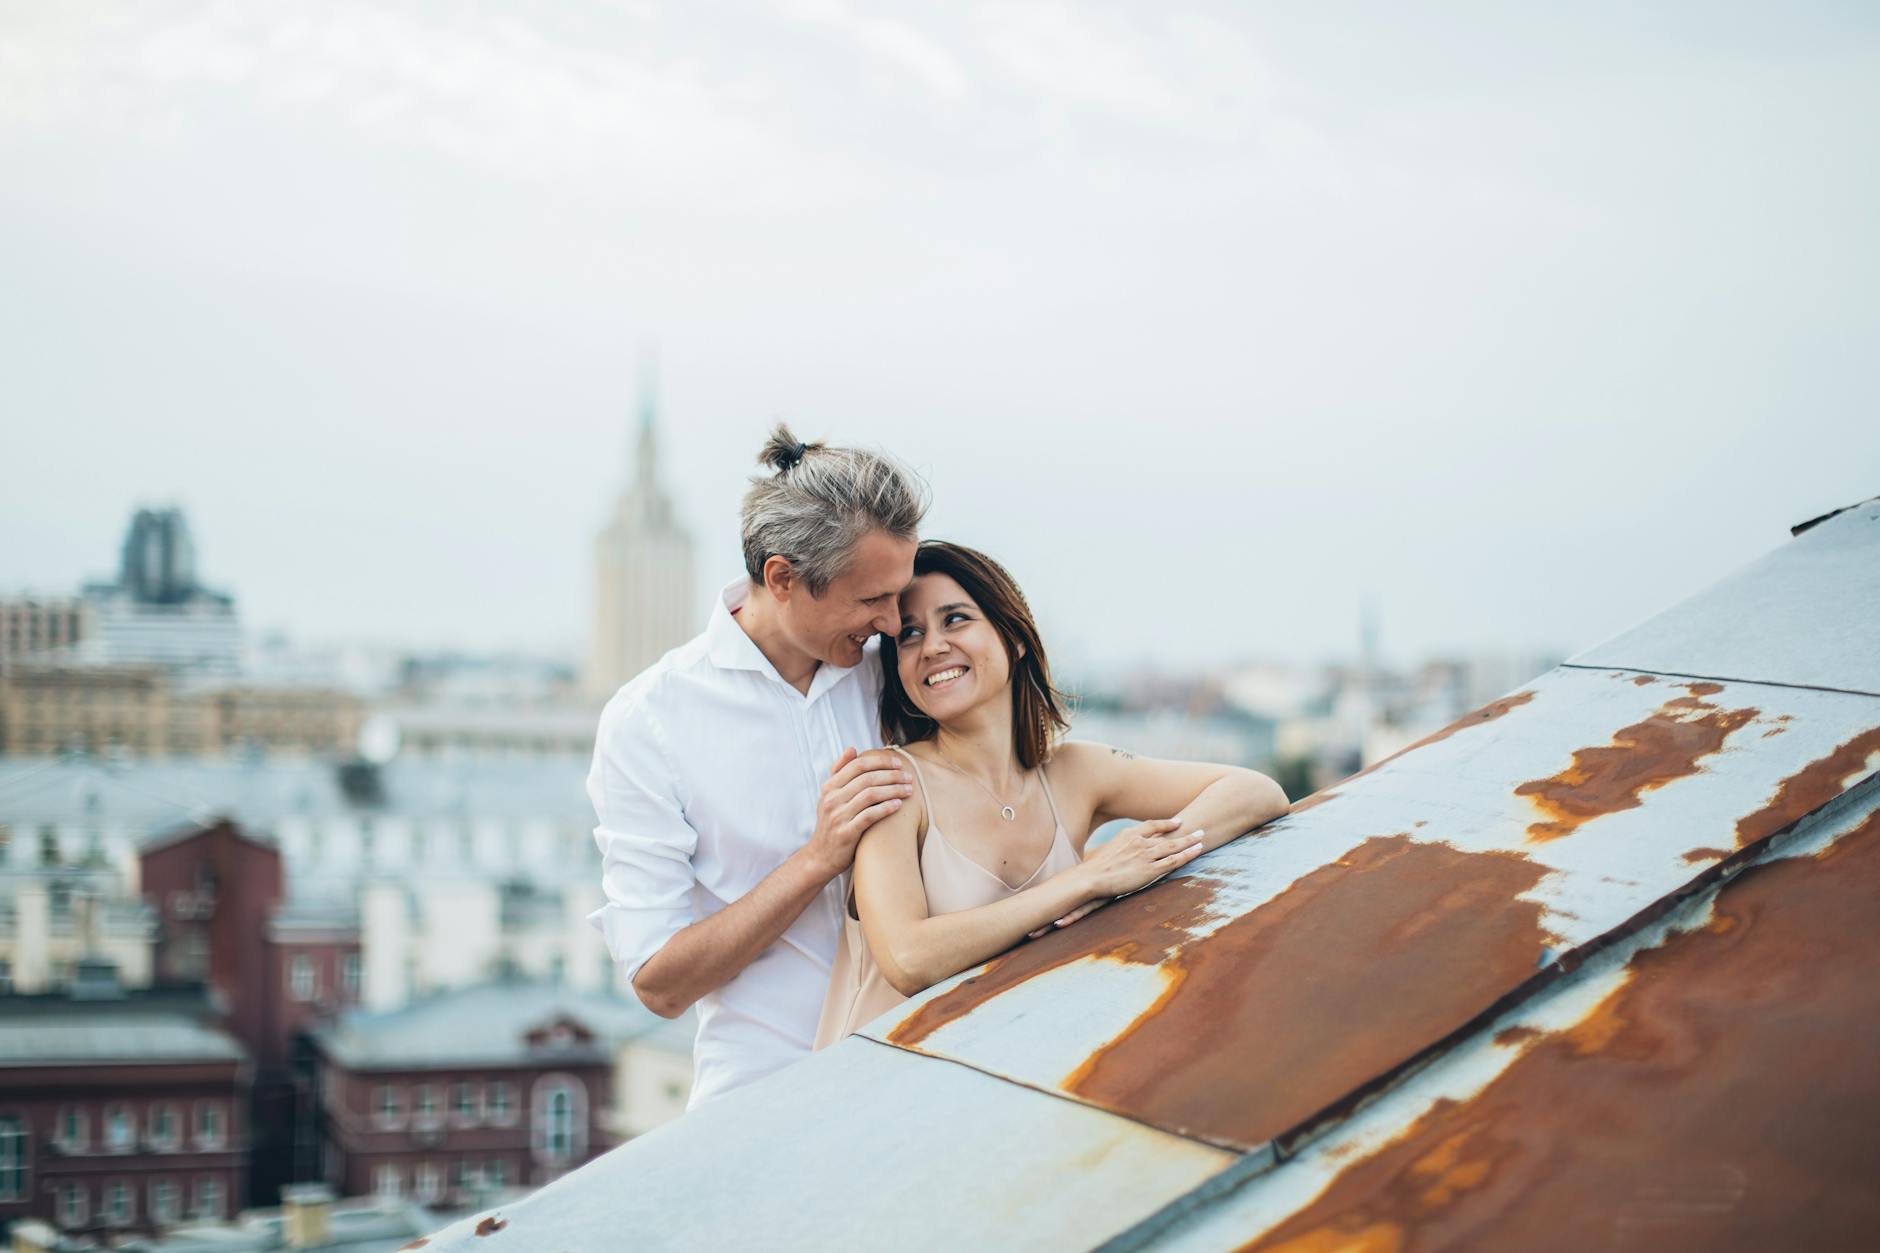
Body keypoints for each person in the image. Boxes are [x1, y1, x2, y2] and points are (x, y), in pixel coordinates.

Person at [815, 541, 1290, 1046]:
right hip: (870, 1096)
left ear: (1014, 637)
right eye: (910, 635)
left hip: (1003, 1074)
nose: (932, 646)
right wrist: (1086, 882)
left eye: (955, 620)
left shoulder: (1074, 771)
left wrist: (1142, 861)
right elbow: (909, 959)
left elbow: (1255, 791)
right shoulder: (889, 782)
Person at [588, 424, 928, 1107]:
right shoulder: (649, 722)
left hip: (920, 1078)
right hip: (765, 1102)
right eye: (870, 600)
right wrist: (817, 857)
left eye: (900, 593)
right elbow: (659, 983)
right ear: (782, 578)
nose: (894, 622)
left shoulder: (899, 676)